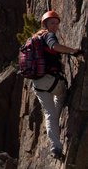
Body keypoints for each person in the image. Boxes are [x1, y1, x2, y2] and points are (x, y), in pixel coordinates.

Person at [32, 10, 81, 159]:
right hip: (52, 80)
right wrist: (73, 51)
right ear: (45, 24)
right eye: (52, 23)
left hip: (37, 83)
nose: (55, 26)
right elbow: (54, 46)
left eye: (56, 23)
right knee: (61, 96)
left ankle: (55, 148)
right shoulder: (48, 35)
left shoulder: (34, 39)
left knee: (49, 114)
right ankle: (58, 119)